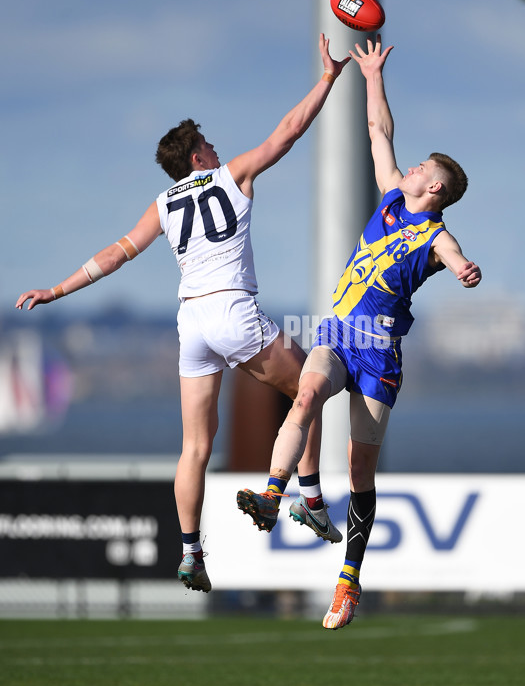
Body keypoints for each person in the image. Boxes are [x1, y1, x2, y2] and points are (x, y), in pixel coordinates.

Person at [15, 33, 351, 594]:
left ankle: (191, 551)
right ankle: (306, 499)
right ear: (198, 157)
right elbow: (290, 131)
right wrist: (327, 79)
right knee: (311, 387)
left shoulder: (162, 204)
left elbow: (115, 254)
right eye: (209, 145)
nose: (217, 150)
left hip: (190, 325)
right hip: (232, 312)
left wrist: (56, 290)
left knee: (195, 446)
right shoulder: (232, 175)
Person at [237, 36, 482, 629]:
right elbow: (380, 134)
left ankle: (348, 581)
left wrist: (466, 269)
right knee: (303, 395)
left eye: (423, 169)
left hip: (379, 353)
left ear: (437, 189)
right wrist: (372, 75)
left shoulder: (433, 233)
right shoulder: (394, 200)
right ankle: (272, 495)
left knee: (359, 471)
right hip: (339, 333)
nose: (412, 168)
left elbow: (453, 254)